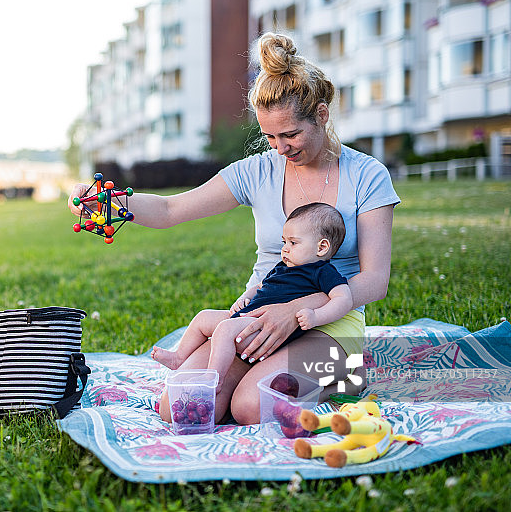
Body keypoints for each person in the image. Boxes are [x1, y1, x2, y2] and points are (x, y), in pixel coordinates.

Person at [68, 32, 400, 425]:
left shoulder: (367, 175)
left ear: (322, 115)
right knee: (180, 410)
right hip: (258, 316)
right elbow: (171, 208)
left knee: (249, 407)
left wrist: (292, 312)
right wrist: (103, 204)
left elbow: (375, 281)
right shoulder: (257, 171)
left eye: (291, 134)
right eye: (270, 136)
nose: (280, 148)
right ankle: (290, 374)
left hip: (329, 321)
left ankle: (345, 371)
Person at [151, 202, 353, 393]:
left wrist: (316, 316)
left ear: (321, 247)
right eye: (284, 242)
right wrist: (245, 296)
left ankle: (214, 379)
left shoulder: (322, 272)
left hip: (265, 330)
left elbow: (343, 299)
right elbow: (261, 286)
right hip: (249, 319)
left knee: (224, 330)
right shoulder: (283, 267)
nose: (285, 248)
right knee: (204, 317)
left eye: (293, 242)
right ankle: (179, 357)